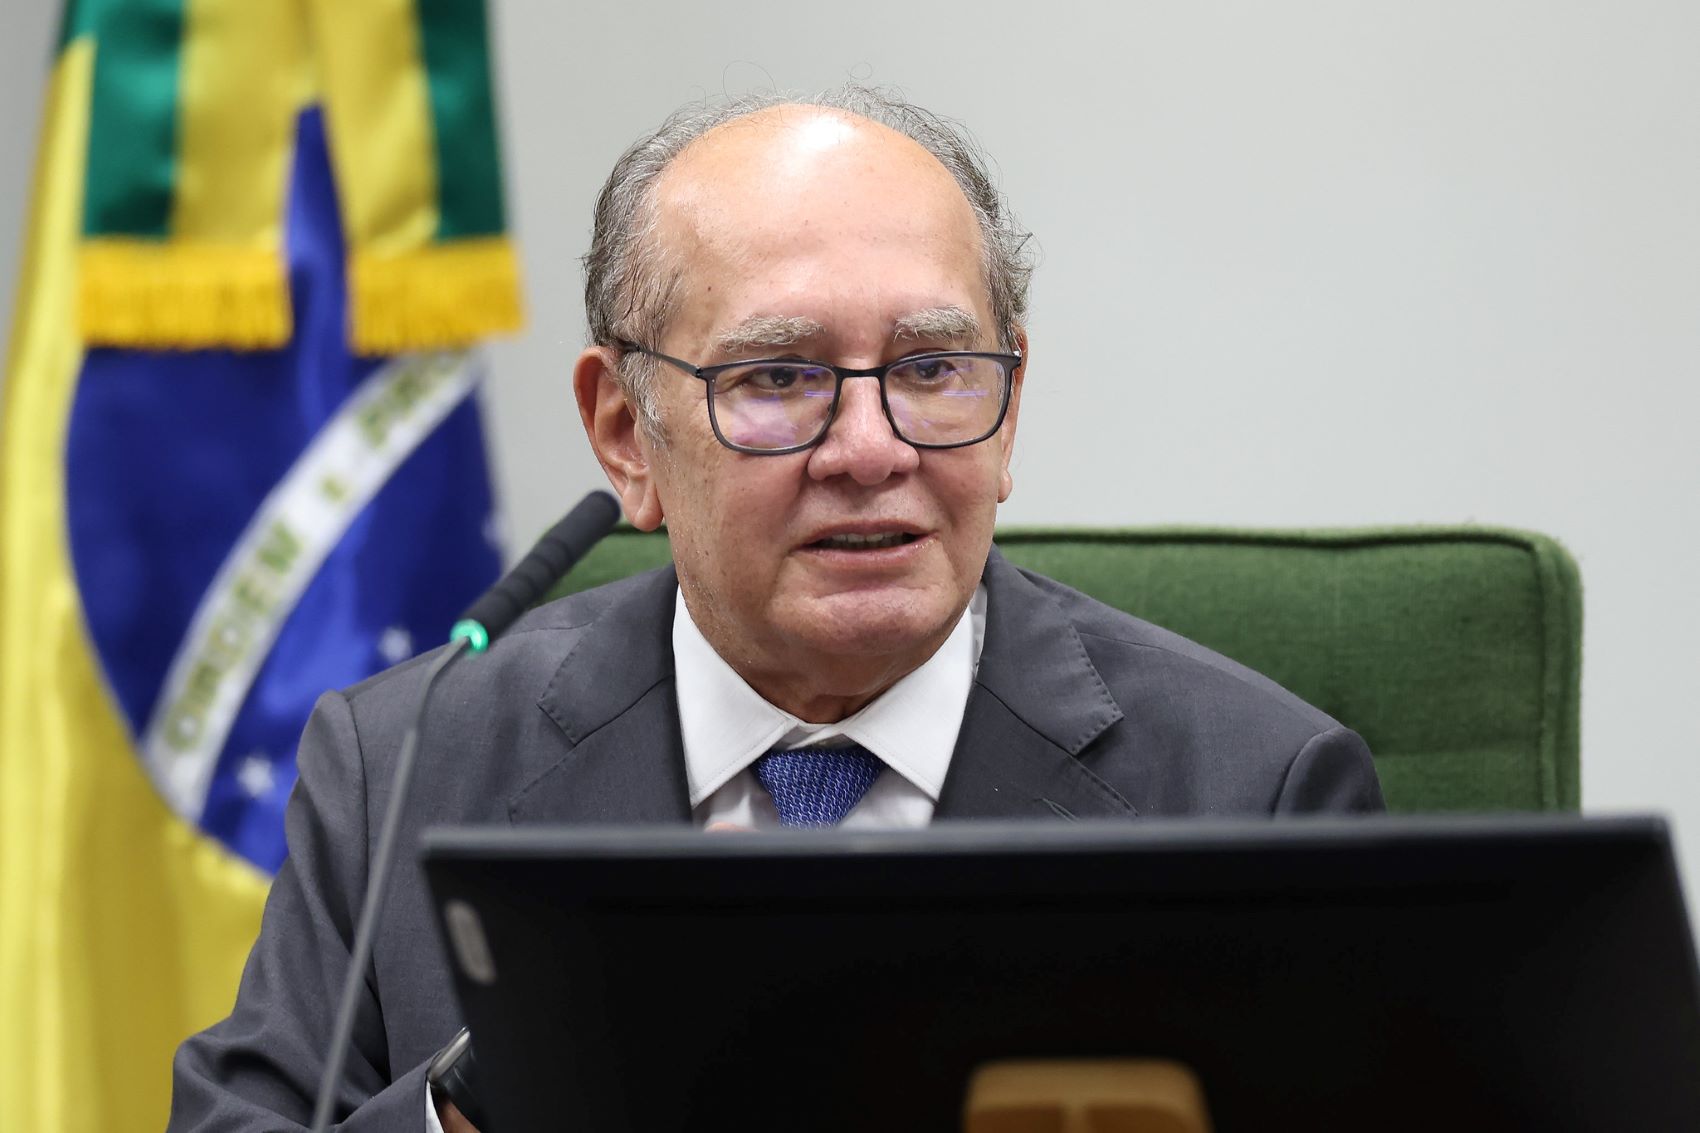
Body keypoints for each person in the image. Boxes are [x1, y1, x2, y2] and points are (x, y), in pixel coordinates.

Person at [168, 85, 1383, 1132]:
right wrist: (491, 1087)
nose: (868, 448)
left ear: (1007, 409)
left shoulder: (1253, 790)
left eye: (929, 369)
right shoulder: (404, 762)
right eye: (777, 378)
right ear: (621, 432)